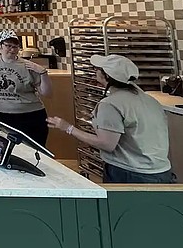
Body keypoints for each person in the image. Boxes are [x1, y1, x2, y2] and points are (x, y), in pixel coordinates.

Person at [47, 54, 174, 184]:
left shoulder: (110, 104)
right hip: (161, 171)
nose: (95, 71)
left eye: (98, 69)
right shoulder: (149, 100)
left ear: (106, 76)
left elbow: (106, 144)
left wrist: (68, 128)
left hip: (130, 173)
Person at [0, 29, 52, 146]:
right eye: (8, 46)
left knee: (32, 155)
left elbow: (46, 93)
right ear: (0, 46)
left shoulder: (27, 66)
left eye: (15, 46)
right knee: (2, 150)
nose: (12, 49)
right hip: (2, 117)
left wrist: (43, 73)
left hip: (30, 117)